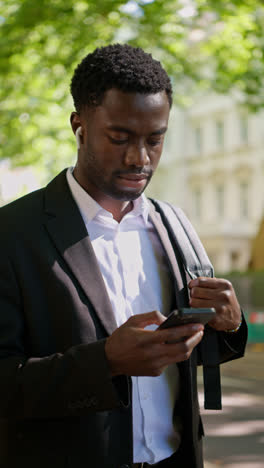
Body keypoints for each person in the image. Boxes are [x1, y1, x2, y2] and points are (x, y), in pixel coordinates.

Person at [0, 44, 247, 468]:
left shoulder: (175, 224)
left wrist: (228, 324)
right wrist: (106, 361)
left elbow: (192, 357)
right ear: (79, 126)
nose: (140, 159)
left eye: (156, 140)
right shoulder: (12, 233)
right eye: (120, 138)